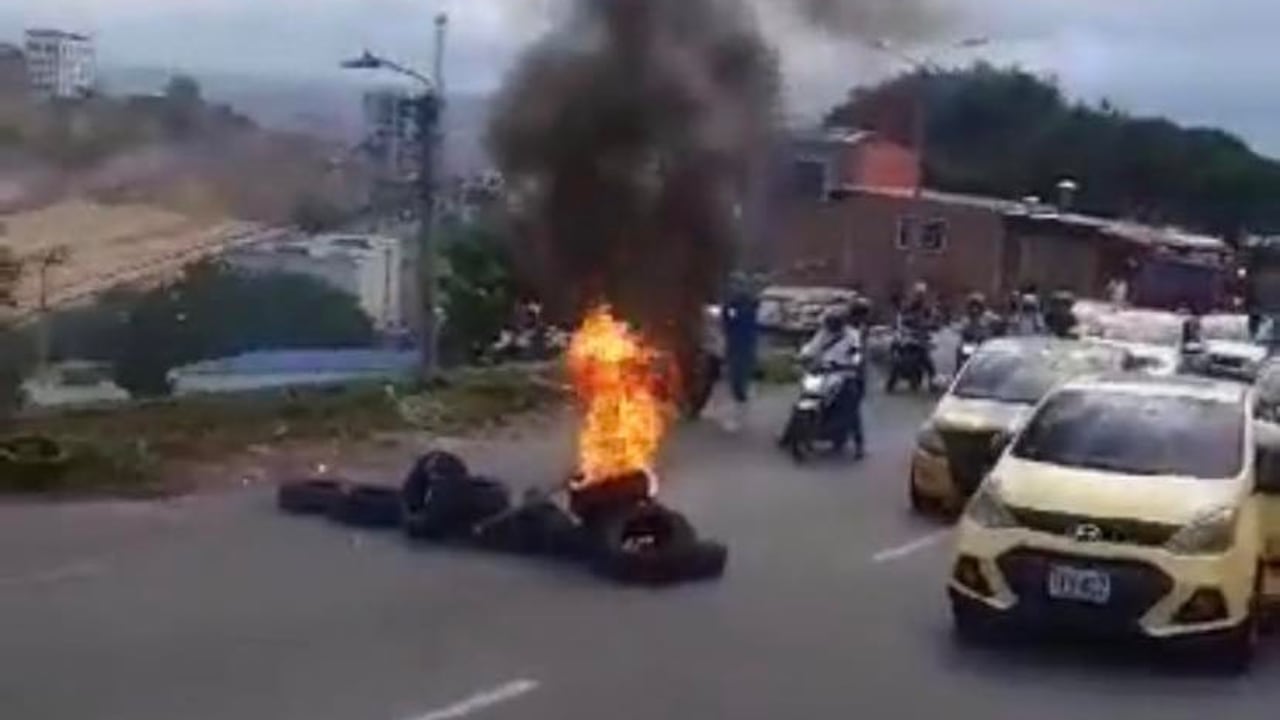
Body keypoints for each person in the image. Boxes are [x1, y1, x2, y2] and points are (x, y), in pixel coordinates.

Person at [799, 307, 865, 458]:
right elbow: (812, 347)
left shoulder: (852, 335)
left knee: (851, 406)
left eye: (835, 322)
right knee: (804, 396)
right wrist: (803, 356)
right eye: (830, 322)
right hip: (823, 374)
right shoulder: (823, 333)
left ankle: (859, 444)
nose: (832, 325)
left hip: (844, 374)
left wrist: (854, 362)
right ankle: (792, 433)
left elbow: (856, 352)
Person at [721, 277, 760, 433]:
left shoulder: (749, 306)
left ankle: (739, 416)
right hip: (735, 346)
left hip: (744, 347)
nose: (735, 288)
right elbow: (726, 324)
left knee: (739, 382)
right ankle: (738, 413)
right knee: (734, 381)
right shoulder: (732, 305)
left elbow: (730, 323)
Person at [685, 305, 724, 420]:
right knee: (702, 382)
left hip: (711, 353)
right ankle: (695, 407)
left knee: (706, 382)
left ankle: (696, 408)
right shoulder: (704, 318)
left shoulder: (711, 316)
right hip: (708, 352)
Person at [896, 282, 938, 385]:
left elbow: (933, 319)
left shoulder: (927, 307)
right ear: (914, 293)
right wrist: (902, 325)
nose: (919, 296)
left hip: (921, 337)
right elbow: (901, 316)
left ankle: (933, 382)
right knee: (898, 352)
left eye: (921, 294)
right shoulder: (908, 306)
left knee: (928, 361)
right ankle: (894, 376)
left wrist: (931, 325)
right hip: (909, 335)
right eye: (918, 293)